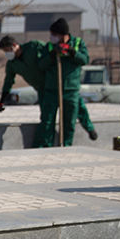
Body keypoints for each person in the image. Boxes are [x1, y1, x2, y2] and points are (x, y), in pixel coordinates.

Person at [0, 35, 97, 145]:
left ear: (14, 45)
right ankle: (45, 144)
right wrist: (2, 100)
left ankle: (89, 128)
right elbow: (8, 82)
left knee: (76, 104)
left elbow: (49, 53)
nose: (7, 54)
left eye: (7, 50)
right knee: (47, 118)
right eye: (4, 52)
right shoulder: (12, 64)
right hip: (42, 90)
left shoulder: (34, 47)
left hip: (54, 83)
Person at [37, 18, 89, 147]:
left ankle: (66, 147)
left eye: (54, 35)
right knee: (47, 121)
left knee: (69, 122)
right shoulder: (49, 47)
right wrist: (52, 55)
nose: (52, 37)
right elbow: (41, 65)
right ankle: (46, 147)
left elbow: (85, 59)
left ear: (63, 35)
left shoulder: (77, 43)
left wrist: (73, 53)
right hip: (52, 90)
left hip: (70, 90)